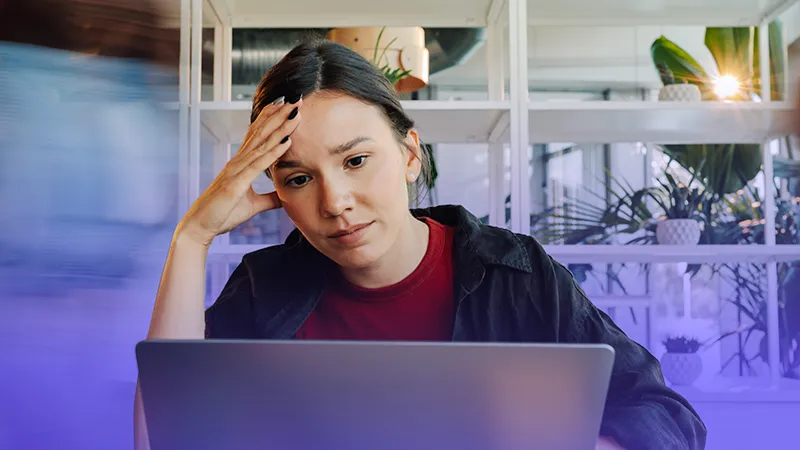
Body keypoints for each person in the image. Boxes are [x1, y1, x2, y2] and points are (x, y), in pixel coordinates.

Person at [138, 39, 707, 450]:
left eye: (356, 160)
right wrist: (192, 237)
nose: (335, 202)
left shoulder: (517, 273)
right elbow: (164, 433)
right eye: (298, 178)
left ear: (410, 154)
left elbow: (667, 414)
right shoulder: (264, 289)